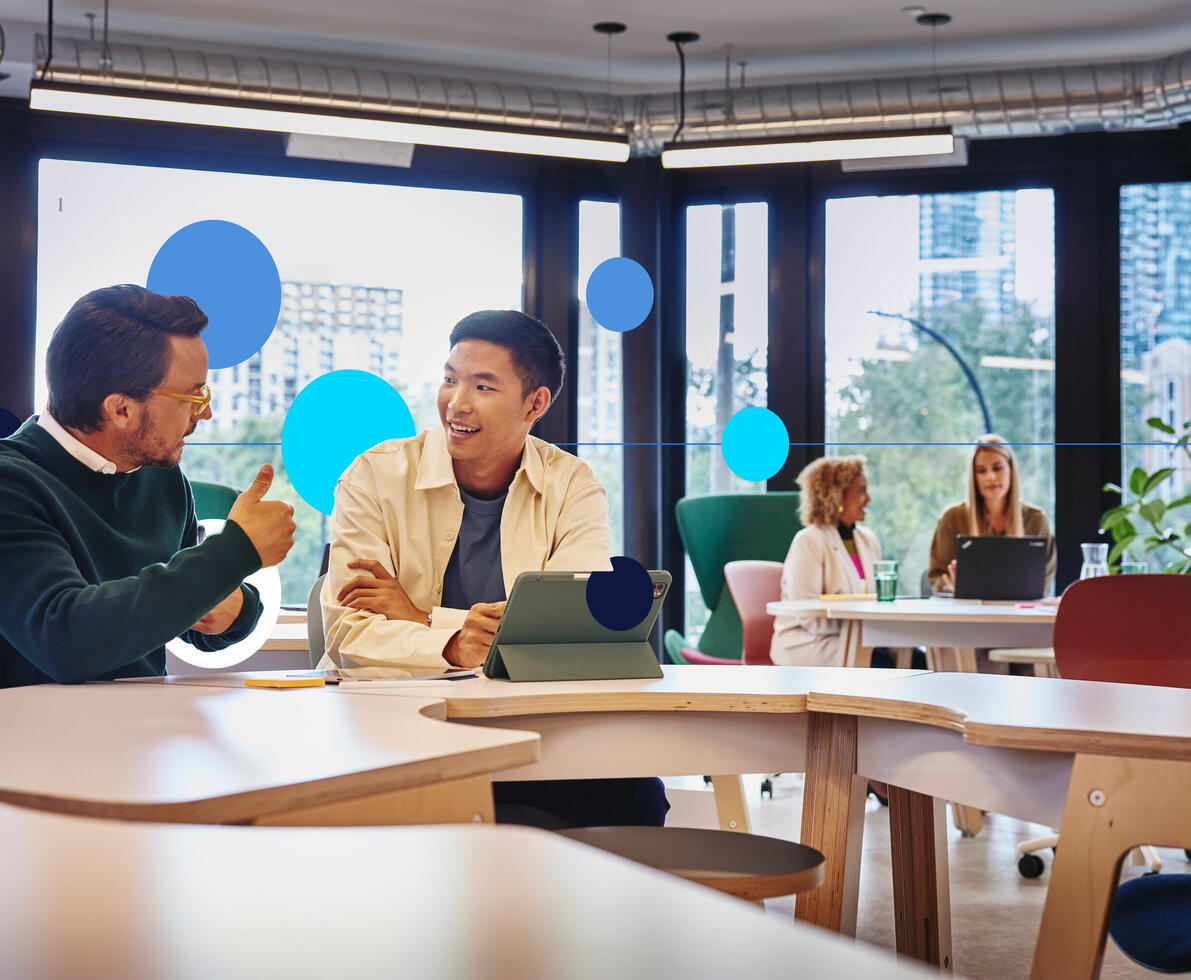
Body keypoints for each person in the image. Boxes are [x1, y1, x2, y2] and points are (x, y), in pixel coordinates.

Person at [321, 309, 668, 828]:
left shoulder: (573, 486)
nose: (455, 403)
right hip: (397, 727)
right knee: (501, 813)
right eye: (449, 379)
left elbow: (567, 633)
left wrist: (420, 619)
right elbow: (348, 632)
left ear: (536, 403)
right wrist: (456, 639)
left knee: (638, 795)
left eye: (483, 386)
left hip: (529, 726)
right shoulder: (374, 476)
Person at [0, 284, 296, 688]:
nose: (205, 412)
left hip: (141, 739)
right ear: (121, 409)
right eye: (192, 395)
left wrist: (236, 609)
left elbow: (176, 613)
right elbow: (63, 639)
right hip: (30, 744)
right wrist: (237, 551)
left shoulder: (162, 478)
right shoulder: (11, 482)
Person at [770, 455, 881, 667]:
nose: (868, 498)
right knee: (889, 665)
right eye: (861, 490)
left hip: (859, 640)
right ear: (837, 495)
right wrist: (861, 632)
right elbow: (807, 614)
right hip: (809, 643)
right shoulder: (809, 541)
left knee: (917, 659)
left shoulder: (868, 540)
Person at [927, 434, 1056, 594]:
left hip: (1018, 614)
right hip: (968, 612)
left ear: (1010, 469)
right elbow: (937, 575)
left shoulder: (1036, 519)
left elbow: (1044, 582)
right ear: (974, 477)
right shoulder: (952, 518)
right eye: (981, 471)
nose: (991, 477)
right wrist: (951, 586)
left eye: (997, 468)